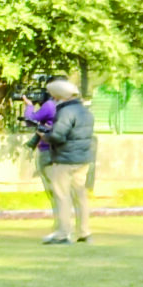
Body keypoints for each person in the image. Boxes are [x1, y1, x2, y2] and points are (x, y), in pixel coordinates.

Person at [38, 78, 94, 245]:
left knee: (62, 195)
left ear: (60, 96)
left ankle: (63, 233)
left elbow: (58, 136)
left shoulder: (66, 112)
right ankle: (85, 232)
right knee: (80, 195)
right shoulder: (85, 111)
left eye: (54, 96)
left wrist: (44, 136)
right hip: (82, 158)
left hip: (65, 159)